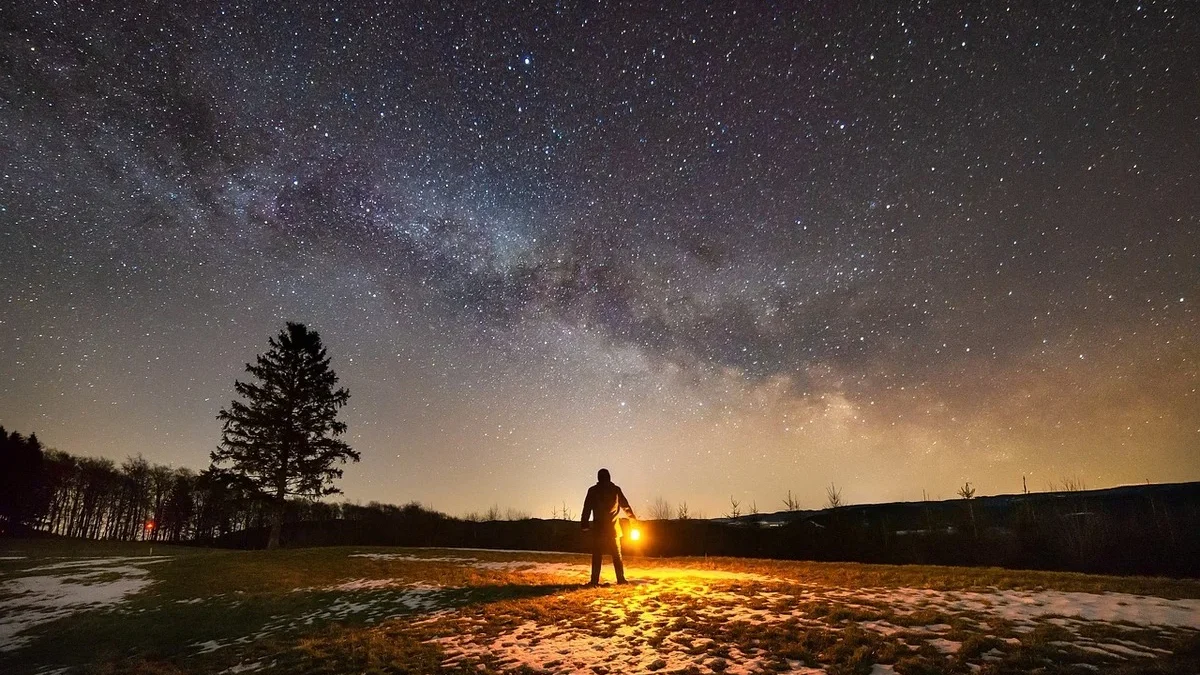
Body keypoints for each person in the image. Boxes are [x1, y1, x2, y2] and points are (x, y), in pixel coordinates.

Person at [580, 468, 637, 585]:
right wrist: (633, 520)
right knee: (617, 555)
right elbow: (625, 506)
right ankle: (620, 579)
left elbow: (587, 508)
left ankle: (594, 581)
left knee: (597, 555)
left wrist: (584, 523)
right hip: (613, 529)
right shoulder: (615, 490)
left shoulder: (593, 491)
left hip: (599, 529)